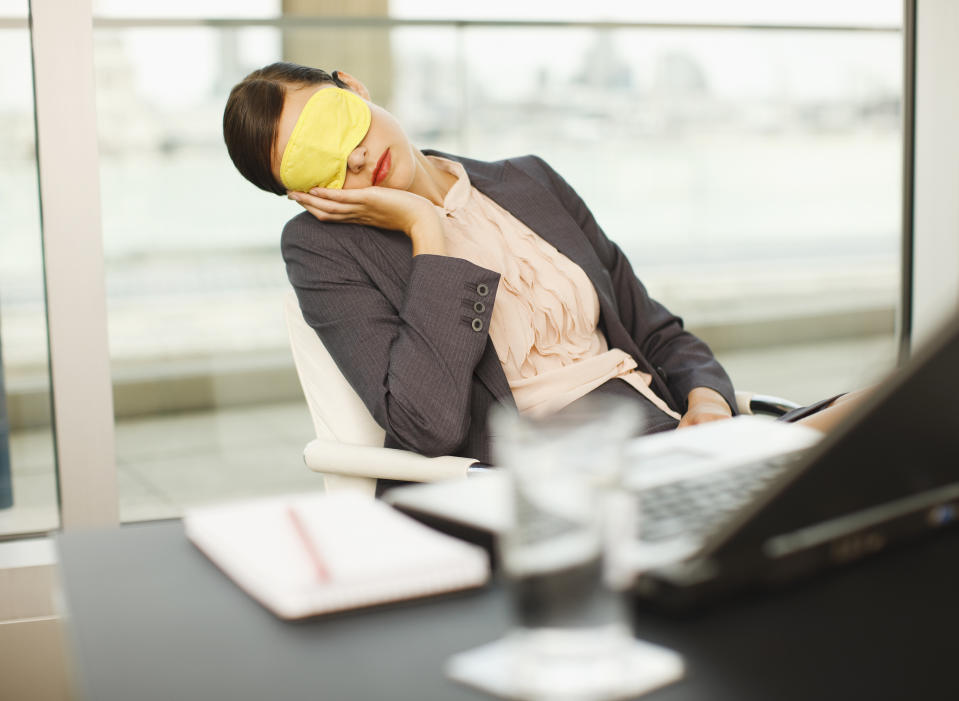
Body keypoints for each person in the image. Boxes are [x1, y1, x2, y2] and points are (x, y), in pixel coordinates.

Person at [222, 61, 863, 469]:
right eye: (319, 165)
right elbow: (428, 426)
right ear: (307, 195)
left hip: (674, 444)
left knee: (878, 414)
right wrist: (426, 231)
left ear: (353, 88)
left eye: (340, 125)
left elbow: (658, 330)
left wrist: (708, 403)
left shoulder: (530, 181)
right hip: (549, 482)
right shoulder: (321, 249)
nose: (355, 160)